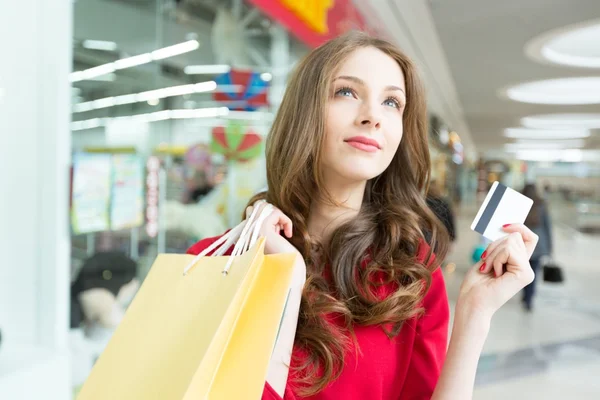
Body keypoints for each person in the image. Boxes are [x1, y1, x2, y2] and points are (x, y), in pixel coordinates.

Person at [188, 31, 537, 400]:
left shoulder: (412, 272)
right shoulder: (216, 263)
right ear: (304, 110)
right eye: (347, 92)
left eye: (391, 102)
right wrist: (287, 280)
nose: (373, 116)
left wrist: (475, 313)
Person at [521, 183, 553, 311]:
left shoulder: (520, 204)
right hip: (538, 245)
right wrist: (550, 247)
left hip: (522, 244)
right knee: (533, 273)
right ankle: (529, 299)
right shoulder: (541, 205)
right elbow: (547, 227)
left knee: (522, 269)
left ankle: (525, 295)